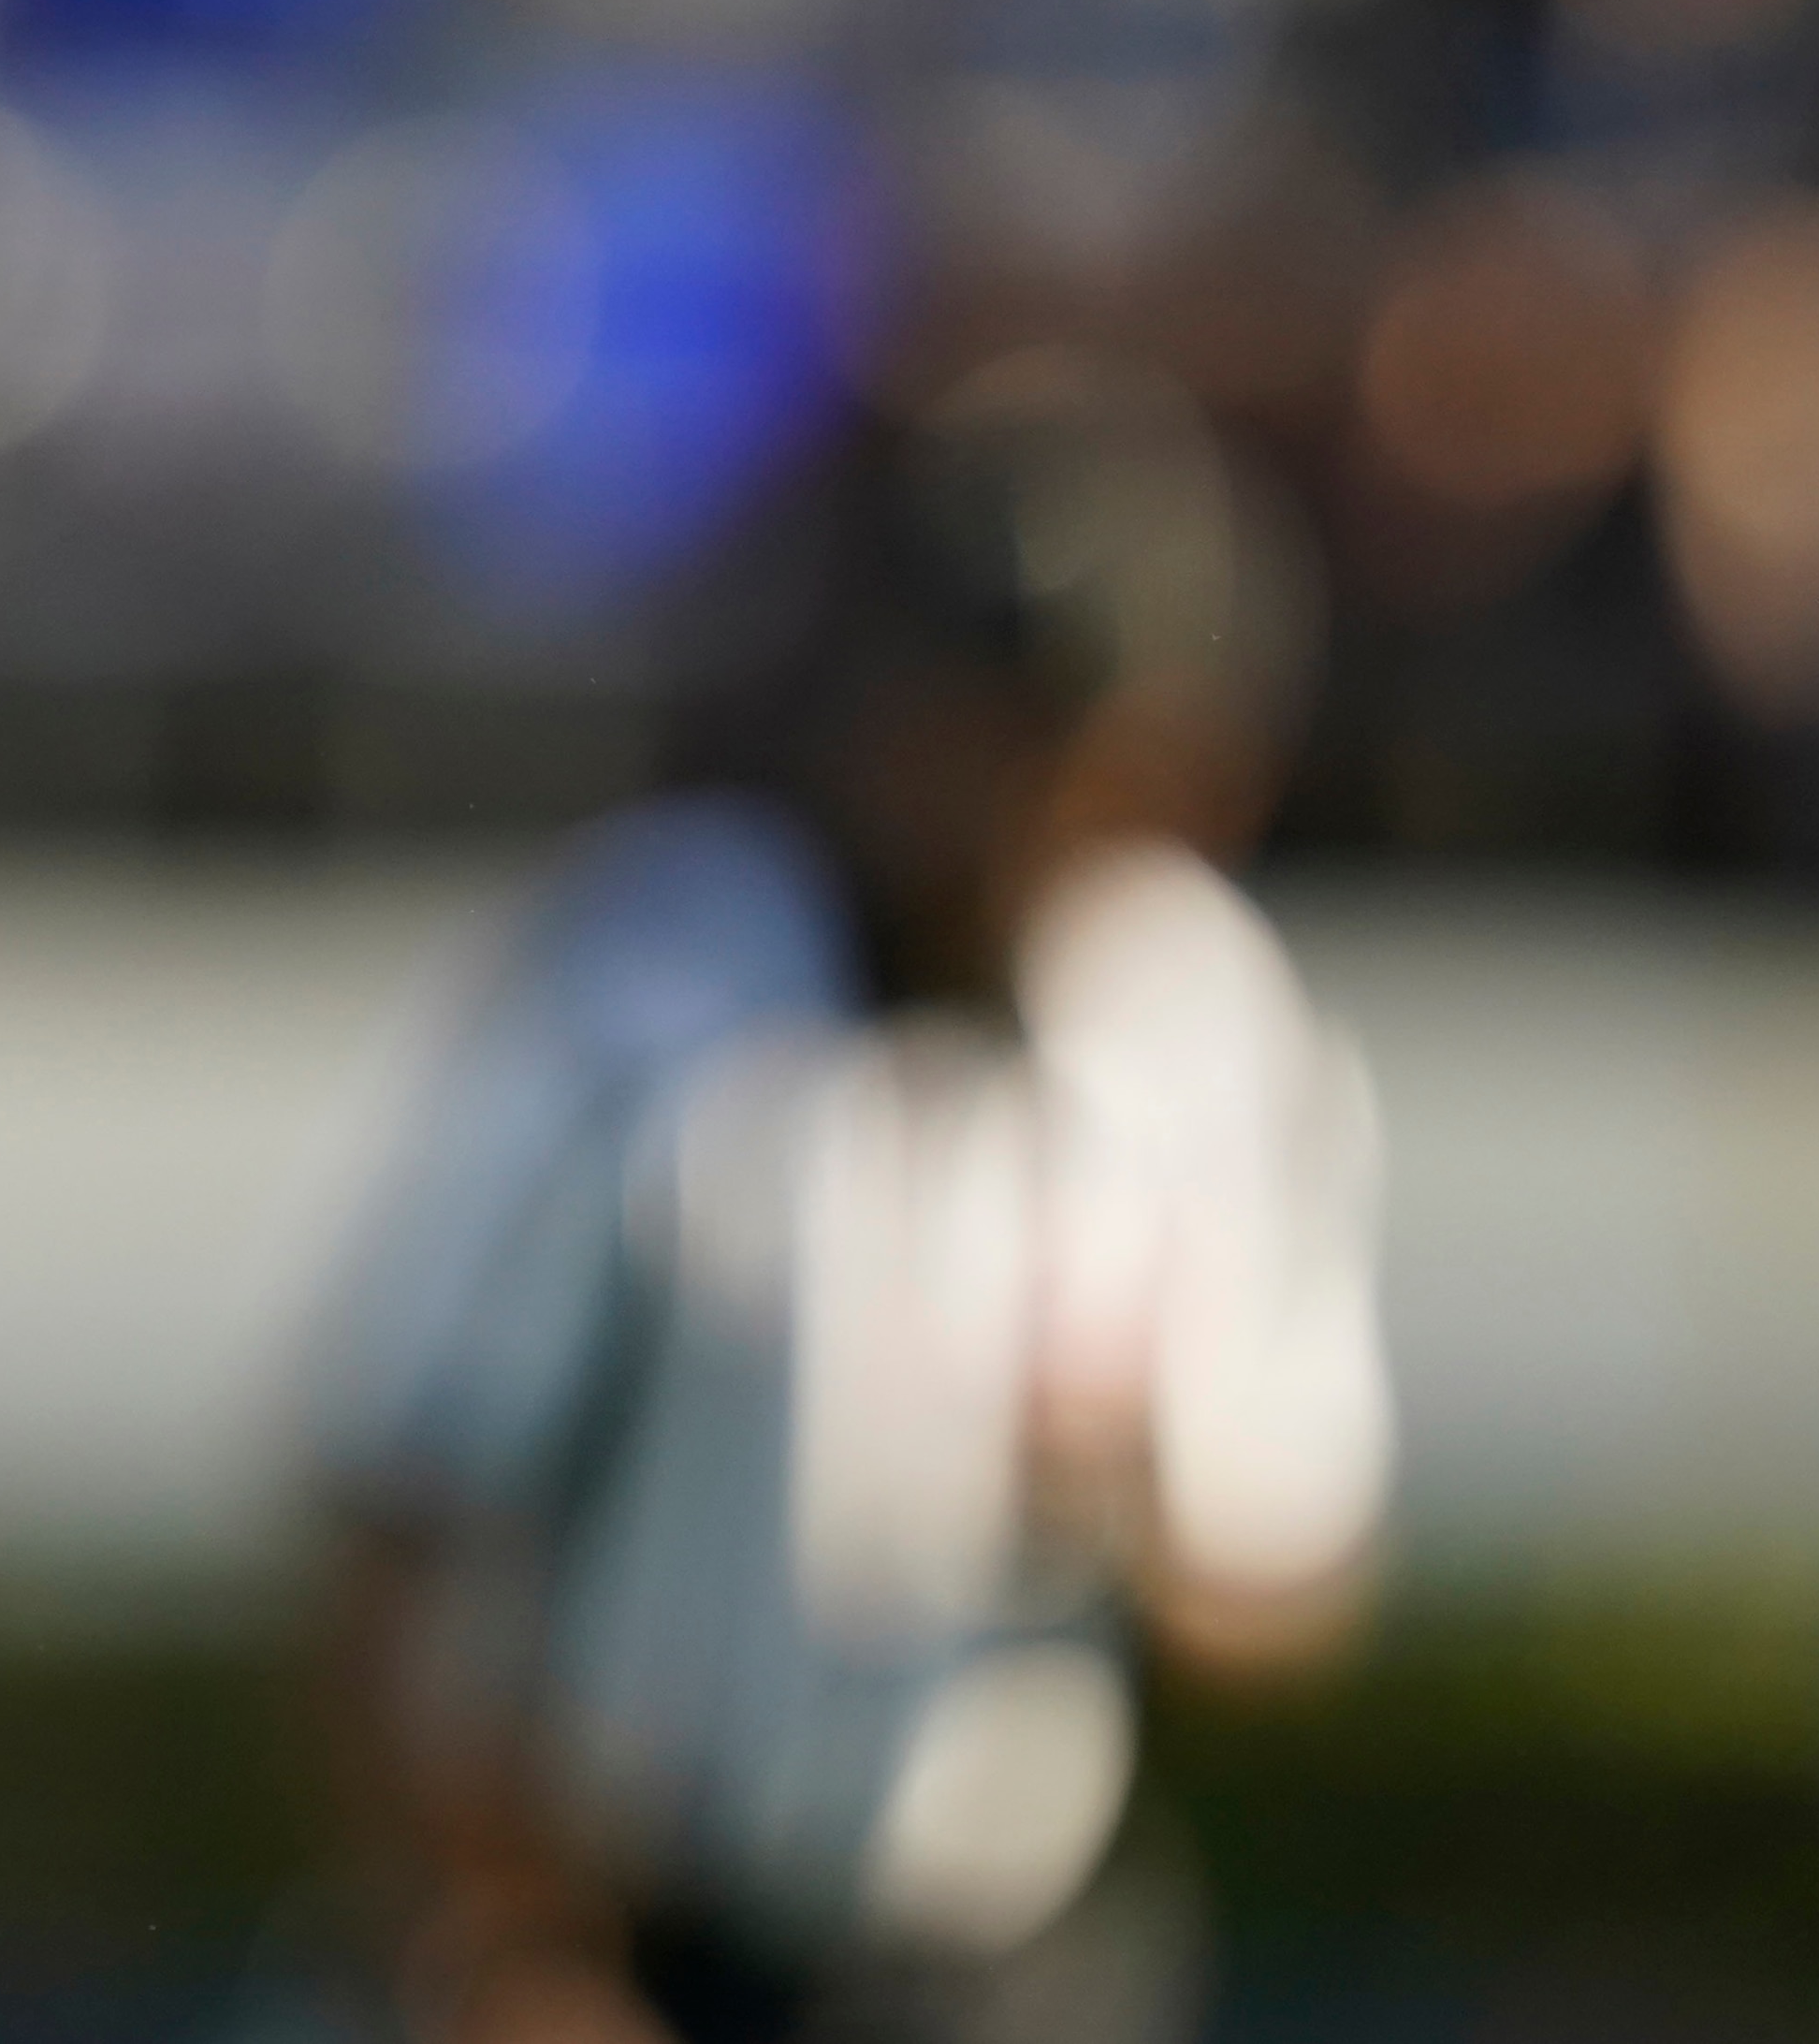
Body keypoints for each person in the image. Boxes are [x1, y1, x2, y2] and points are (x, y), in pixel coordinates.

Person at [281, 360, 1385, 2044]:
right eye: (998, 732)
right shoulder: (656, 977)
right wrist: (495, 1942)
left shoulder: (1204, 1022)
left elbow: (1297, 1567)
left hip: (1012, 1954)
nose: (1034, 805)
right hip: (640, 1942)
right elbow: (393, 1500)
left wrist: (1145, 1509)